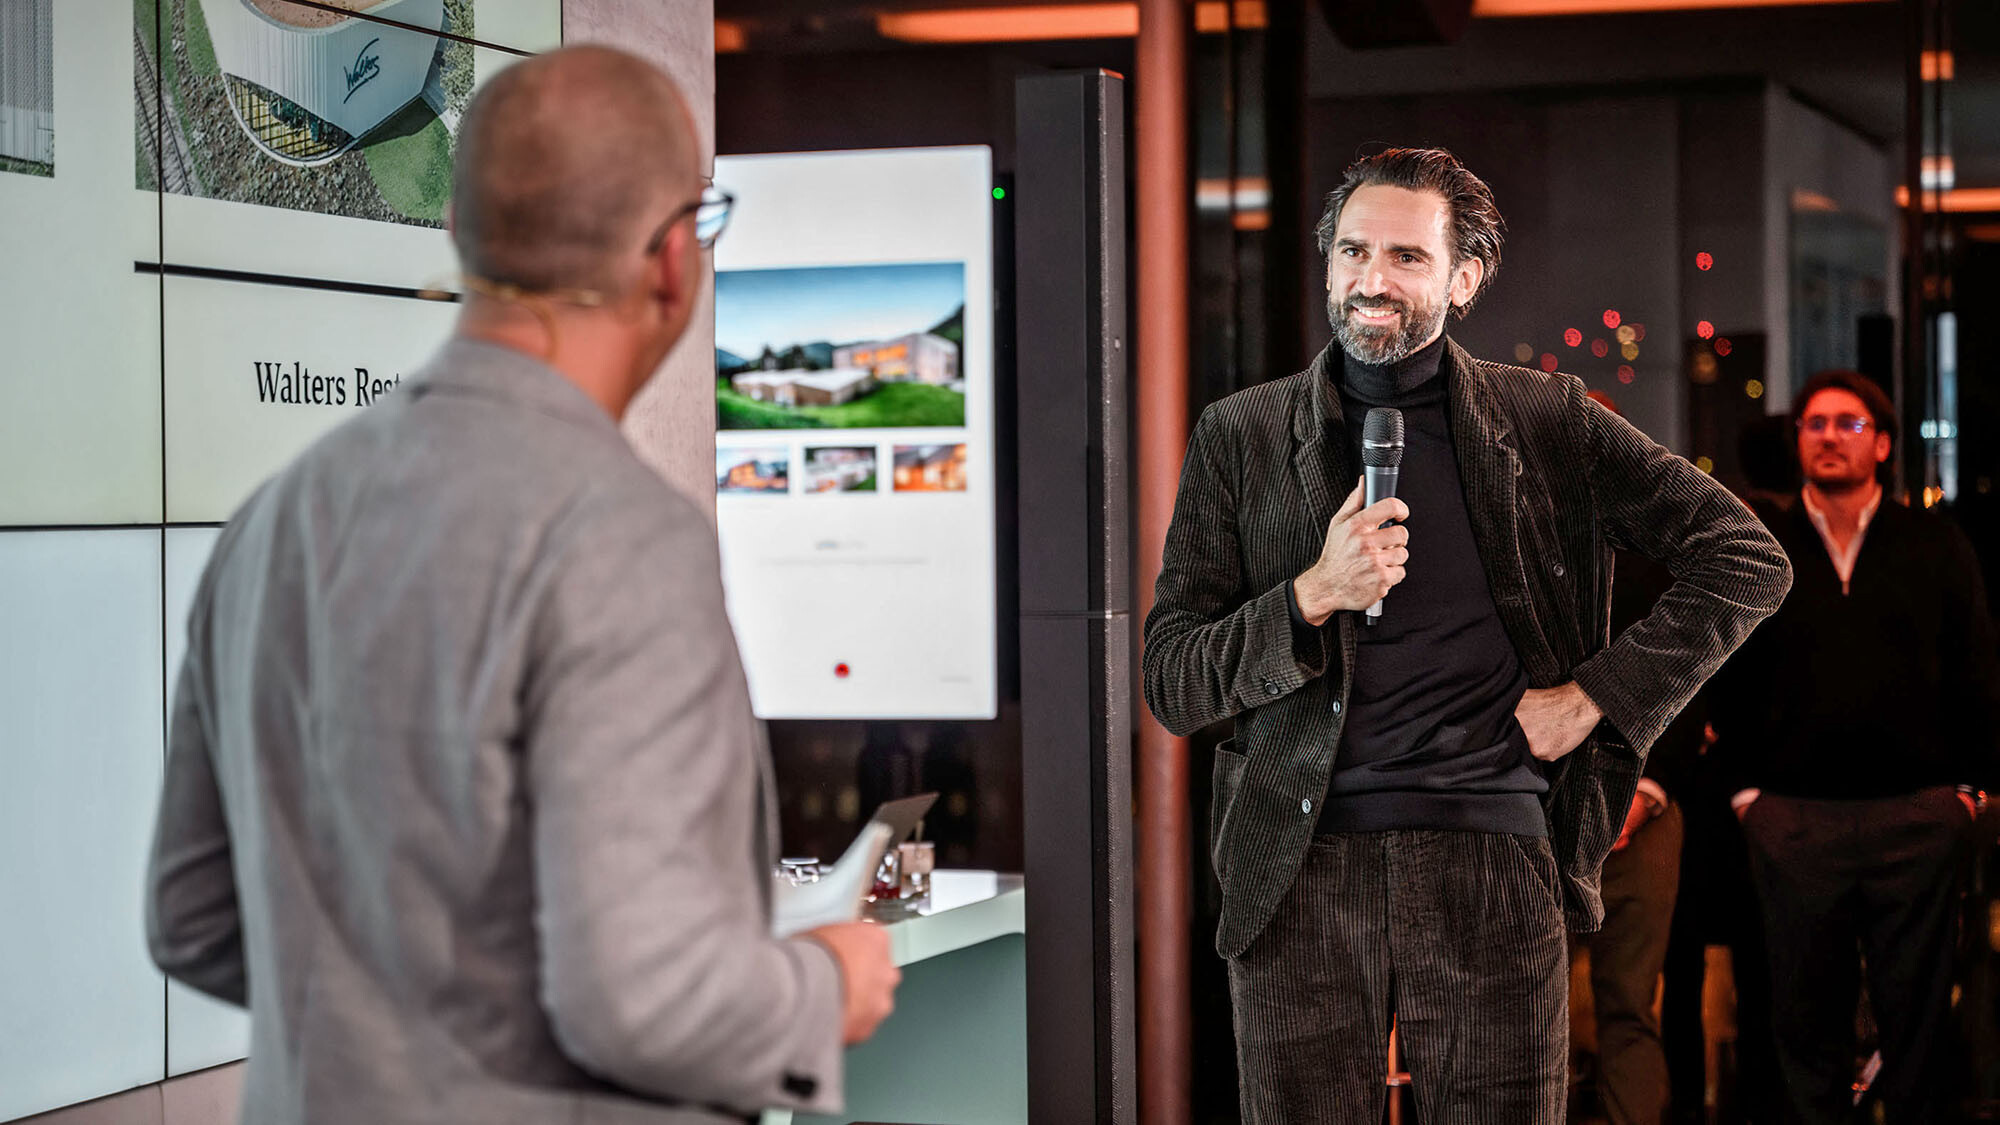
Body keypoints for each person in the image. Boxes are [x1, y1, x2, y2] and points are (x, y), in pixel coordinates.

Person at [143, 46, 897, 1124]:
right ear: (672, 260)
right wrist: (826, 984)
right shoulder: (622, 540)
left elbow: (195, 920)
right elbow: (640, 1002)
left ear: (459, 236)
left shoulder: (275, 518)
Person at [1142, 147, 1792, 1123]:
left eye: (1404, 256)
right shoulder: (1239, 435)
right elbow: (1171, 678)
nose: (1370, 279)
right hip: (1297, 859)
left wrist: (1594, 699)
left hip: (1488, 849)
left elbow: (1745, 558)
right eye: (1352, 251)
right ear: (1325, 264)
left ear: (1463, 276)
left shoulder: (1544, 421)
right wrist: (1308, 595)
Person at [1715, 369, 2000, 1125]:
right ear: (1798, 441)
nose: (1830, 436)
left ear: (1881, 443)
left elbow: (1976, 669)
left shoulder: (1934, 544)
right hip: (1794, 821)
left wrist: (1968, 791)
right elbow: (1725, 675)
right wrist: (1747, 796)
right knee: (1802, 1023)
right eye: (1815, 424)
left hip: (1916, 818)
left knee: (1919, 1026)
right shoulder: (1760, 548)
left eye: (1849, 423)